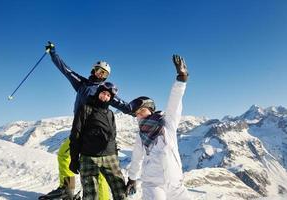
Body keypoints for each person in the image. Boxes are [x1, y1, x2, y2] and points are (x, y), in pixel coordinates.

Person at [41, 42, 130, 200]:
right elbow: (66, 70)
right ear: (93, 70)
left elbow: (123, 105)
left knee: (99, 173)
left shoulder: (106, 92)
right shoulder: (82, 83)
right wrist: (53, 53)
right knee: (64, 155)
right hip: (80, 131)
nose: (101, 75)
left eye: (105, 74)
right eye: (99, 71)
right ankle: (67, 189)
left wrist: (138, 110)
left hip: (94, 137)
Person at [125, 55, 190, 200]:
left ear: (151, 109)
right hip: (153, 184)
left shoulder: (167, 124)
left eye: (142, 111)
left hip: (175, 183)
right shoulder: (141, 136)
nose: (140, 116)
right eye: (137, 114)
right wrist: (132, 178)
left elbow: (175, 102)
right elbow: (137, 158)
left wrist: (181, 78)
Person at [69, 82, 127, 200]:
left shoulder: (110, 114)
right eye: (103, 93)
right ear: (98, 92)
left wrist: (115, 155)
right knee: (90, 195)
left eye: (108, 96)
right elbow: (76, 134)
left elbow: (113, 135)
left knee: (120, 191)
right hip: (88, 158)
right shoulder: (86, 109)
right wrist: (74, 159)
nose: (105, 97)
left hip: (110, 157)